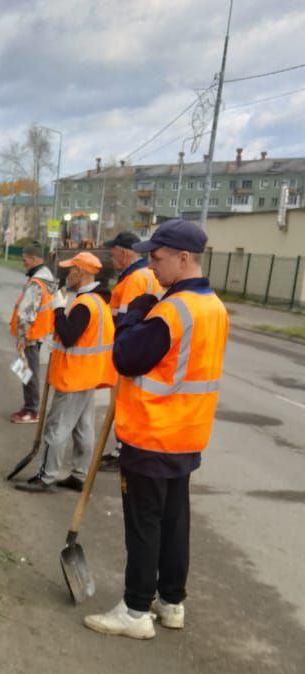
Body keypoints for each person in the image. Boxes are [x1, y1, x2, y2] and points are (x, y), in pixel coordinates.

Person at [84, 219, 229, 640]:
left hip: (152, 433)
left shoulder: (172, 310)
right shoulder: (214, 307)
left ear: (185, 259)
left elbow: (127, 359)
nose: (153, 265)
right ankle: (171, 602)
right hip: (187, 434)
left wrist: (132, 317)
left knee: (144, 523)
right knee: (173, 521)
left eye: (159, 257)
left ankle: (134, 610)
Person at [14, 250, 114, 494]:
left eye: (71, 270)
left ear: (81, 273)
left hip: (74, 377)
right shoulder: (99, 302)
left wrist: (59, 310)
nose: (68, 274)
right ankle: (79, 475)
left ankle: (45, 477)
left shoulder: (85, 305)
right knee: (83, 428)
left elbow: (69, 337)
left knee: (56, 428)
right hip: (88, 375)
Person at [99, 231, 162, 469]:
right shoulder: (140, 276)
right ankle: (122, 448)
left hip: (128, 352)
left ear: (125, 253)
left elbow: (126, 320)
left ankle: (123, 449)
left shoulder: (135, 279)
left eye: (113, 251)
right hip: (139, 350)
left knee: (125, 403)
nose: (110, 255)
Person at [8, 242, 60, 423]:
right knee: (26, 372)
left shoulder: (36, 283)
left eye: (26, 259)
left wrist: (21, 338)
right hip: (37, 334)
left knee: (28, 373)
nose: (24, 262)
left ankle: (31, 410)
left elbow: (26, 314)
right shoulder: (46, 280)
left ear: (34, 258)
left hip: (30, 336)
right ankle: (30, 406)